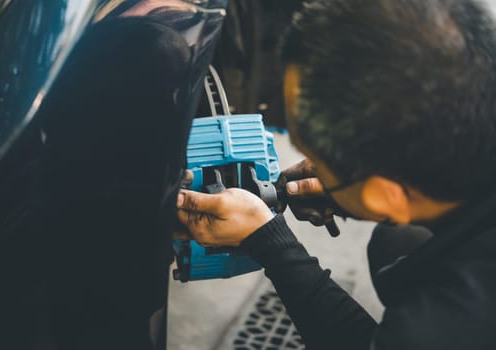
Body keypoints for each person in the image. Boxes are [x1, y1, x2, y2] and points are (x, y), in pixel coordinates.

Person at [176, 0, 496, 349]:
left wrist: (269, 242)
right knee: (399, 244)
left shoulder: (459, 317)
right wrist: (345, 192)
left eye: (314, 157)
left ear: (386, 194)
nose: (308, 166)